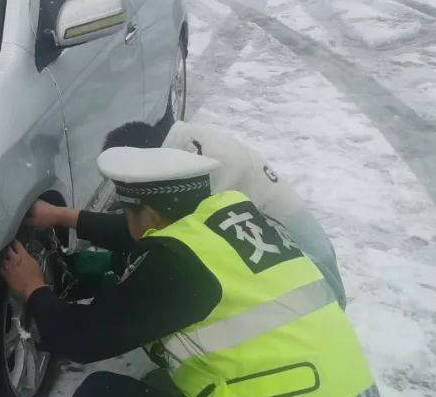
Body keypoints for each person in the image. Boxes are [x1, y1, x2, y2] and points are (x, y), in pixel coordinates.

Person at [0, 146, 387, 397]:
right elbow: (140, 235)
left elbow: (79, 339)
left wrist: (34, 289)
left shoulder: (177, 266)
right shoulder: (240, 222)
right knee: (167, 383)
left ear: (147, 215)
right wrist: (65, 217)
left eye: (128, 211)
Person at [110, 119, 347, 309]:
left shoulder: (197, 172)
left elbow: (172, 244)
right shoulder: (188, 145)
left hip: (314, 292)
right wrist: (78, 219)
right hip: (301, 274)